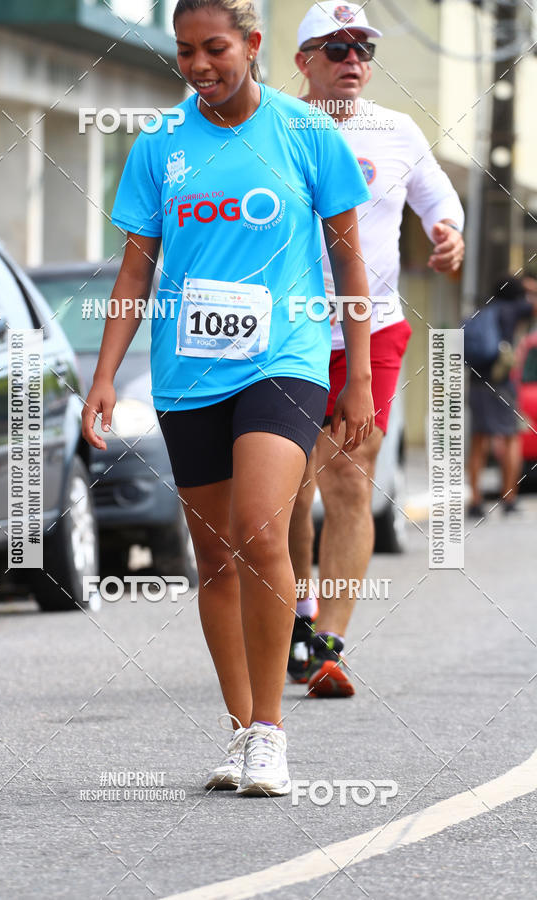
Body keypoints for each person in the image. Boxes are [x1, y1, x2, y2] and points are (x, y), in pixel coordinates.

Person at [81, 0, 374, 796]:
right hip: (187, 371)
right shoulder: (160, 145)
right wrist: (106, 373)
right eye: (184, 52)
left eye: (214, 49)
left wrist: (360, 378)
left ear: (252, 44)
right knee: (213, 556)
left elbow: (349, 263)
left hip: (285, 358)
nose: (199, 66)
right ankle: (241, 728)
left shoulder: (308, 135)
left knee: (258, 529)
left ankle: (273, 734)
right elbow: (136, 269)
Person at [288, 2, 466, 696]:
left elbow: (437, 197)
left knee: (349, 474)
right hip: (288, 329)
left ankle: (327, 639)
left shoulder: (395, 131)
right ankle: (296, 610)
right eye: (335, 48)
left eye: (362, 46)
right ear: (304, 61)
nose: (352, 59)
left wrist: (448, 232)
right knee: (289, 485)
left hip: (375, 325)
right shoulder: (275, 126)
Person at [468, 275, 537, 517]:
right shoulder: (514, 309)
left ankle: (475, 501)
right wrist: (530, 286)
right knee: (510, 439)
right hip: (502, 382)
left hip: (476, 382)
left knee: (479, 440)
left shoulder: (483, 310)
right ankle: (509, 498)